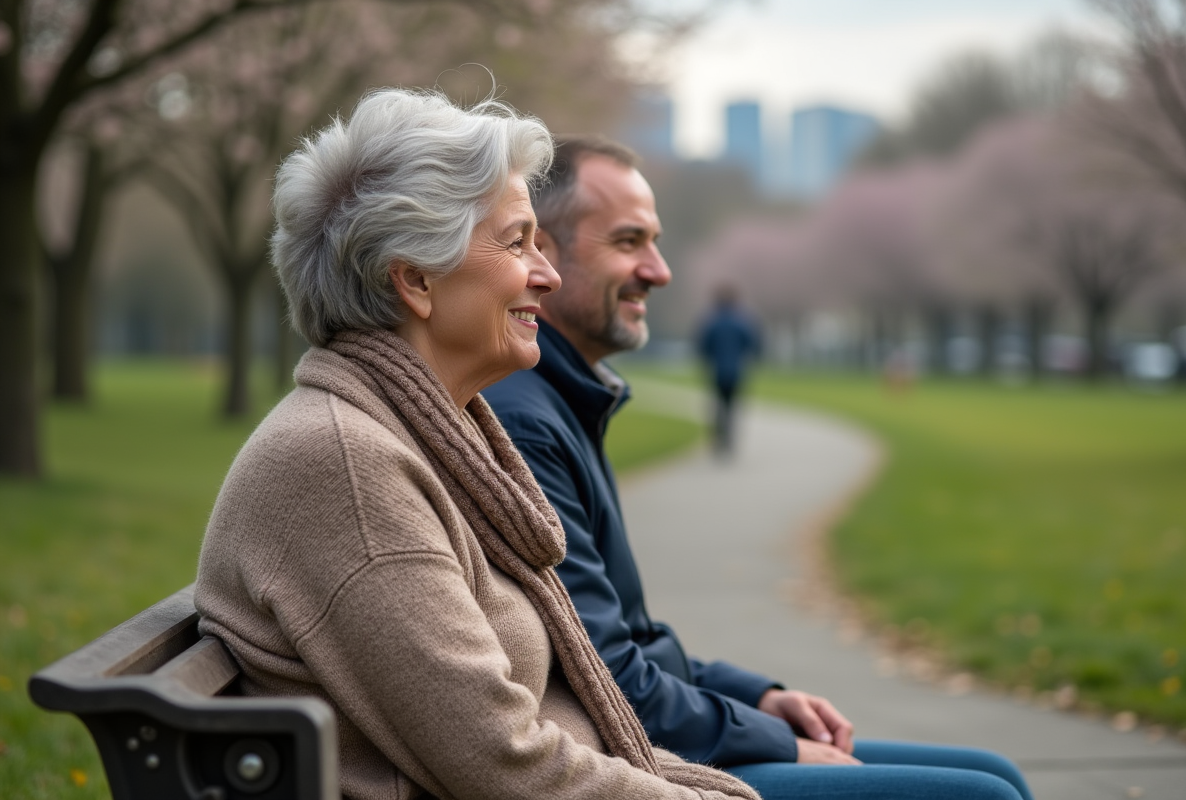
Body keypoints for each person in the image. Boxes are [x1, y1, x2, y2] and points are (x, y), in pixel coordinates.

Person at [194, 88, 763, 800]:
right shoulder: (345, 465)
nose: (547, 275)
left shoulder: (413, 436)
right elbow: (506, 767)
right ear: (415, 280)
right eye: (518, 241)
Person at [482, 136, 1034, 800]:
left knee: (996, 773)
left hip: (652, 732)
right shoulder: (525, 419)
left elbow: (634, 638)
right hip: (630, 763)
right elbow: (606, 676)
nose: (658, 270)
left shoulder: (562, 400)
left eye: (655, 242)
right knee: (987, 797)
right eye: (629, 242)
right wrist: (774, 743)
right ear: (540, 250)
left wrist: (762, 698)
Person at [696, 284, 761, 454]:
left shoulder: (712, 321)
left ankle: (719, 437)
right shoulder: (742, 321)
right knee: (731, 405)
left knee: (717, 405)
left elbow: (703, 346)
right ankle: (729, 438)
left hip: (717, 371)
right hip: (736, 371)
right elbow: (752, 344)